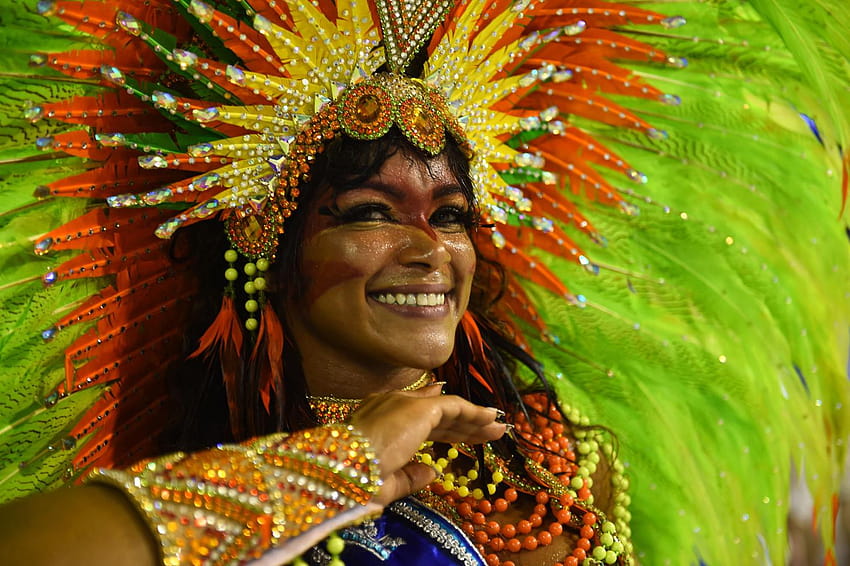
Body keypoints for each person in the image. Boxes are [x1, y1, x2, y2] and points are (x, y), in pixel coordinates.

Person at [1, 1, 848, 565]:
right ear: (268, 236)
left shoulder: (563, 466)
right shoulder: (217, 478)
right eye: (371, 211)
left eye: (449, 216)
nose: (428, 249)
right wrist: (344, 465)